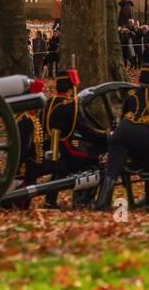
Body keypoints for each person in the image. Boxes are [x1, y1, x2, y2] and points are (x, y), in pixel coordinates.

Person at [94, 65, 149, 210]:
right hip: (142, 135)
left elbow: (123, 115)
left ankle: (102, 204)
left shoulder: (131, 93)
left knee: (112, 170)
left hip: (122, 131)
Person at [42, 69, 107, 208]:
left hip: (49, 146)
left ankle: (50, 199)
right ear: (71, 88)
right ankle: (83, 200)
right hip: (66, 148)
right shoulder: (71, 105)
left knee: (66, 162)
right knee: (95, 161)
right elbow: (86, 132)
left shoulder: (49, 102)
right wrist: (106, 135)